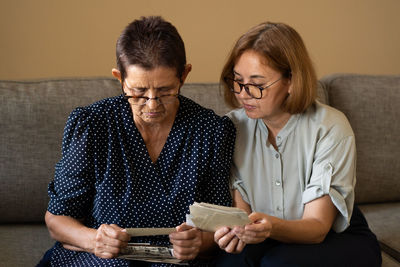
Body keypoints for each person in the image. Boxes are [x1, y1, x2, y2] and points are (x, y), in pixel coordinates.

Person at [40, 16, 235, 267]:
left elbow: (219, 226)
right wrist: (94, 240)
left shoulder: (210, 131)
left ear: (184, 75)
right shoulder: (93, 125)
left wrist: (199, 241)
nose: (152, 105)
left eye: (165, 91)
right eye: (138, 92)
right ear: (119, 78)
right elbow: (57, 219)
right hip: (98, 258)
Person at [213, 21, 382, 266]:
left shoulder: (330, 127)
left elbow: (317, 228)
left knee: (279, 264)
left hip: (330, 235)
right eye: (238, 81)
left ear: (291, 80)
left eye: (257, 85)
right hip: (264, 234)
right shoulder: (230, 128)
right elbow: (243, 215)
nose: (243, 94)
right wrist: (235, 231)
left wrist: (268, 228)